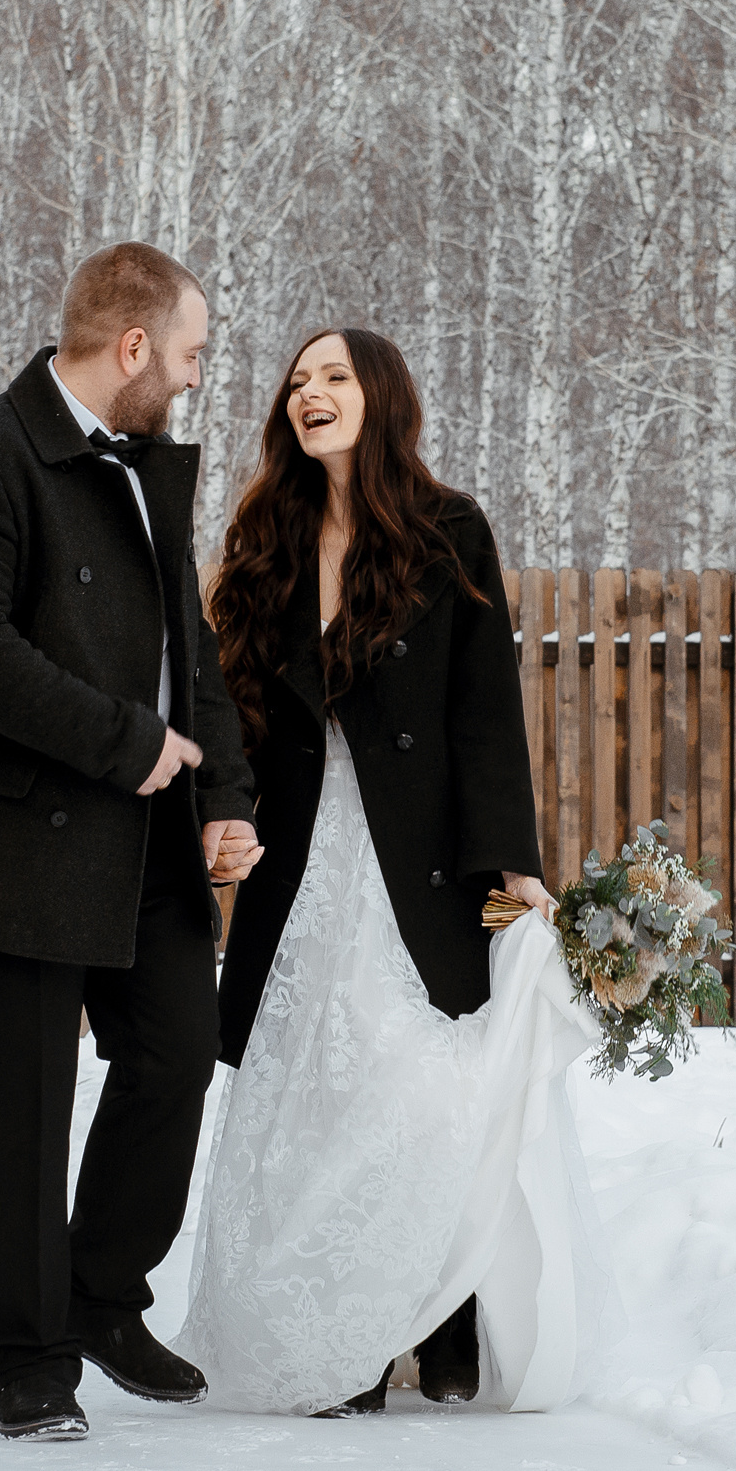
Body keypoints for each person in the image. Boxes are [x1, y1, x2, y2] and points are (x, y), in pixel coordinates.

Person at [172, 327, 619, 1416]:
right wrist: (220, 810)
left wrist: (509, 868)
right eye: (294, 381)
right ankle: (342, 1343)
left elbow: (483, 714)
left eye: (331, 376)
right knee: (310, 1090)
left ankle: (431, 1313)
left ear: (379, 397)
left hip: (415, 862)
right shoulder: (268, 533)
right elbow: (228, 701)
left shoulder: (448, 529)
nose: (307, 394)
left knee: (413, 1087)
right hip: (299, 858)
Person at [0, 242, 263, 1442]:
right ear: (131, 349)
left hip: (151, 825)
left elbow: (188, 645)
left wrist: (226, 793)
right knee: (21, 1103)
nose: (196, 377)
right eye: (190, 353)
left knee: (173, 1056)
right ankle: (26, 1358)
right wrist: (129, 743)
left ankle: (102, 1296)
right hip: (20, 836)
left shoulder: (148, 463)